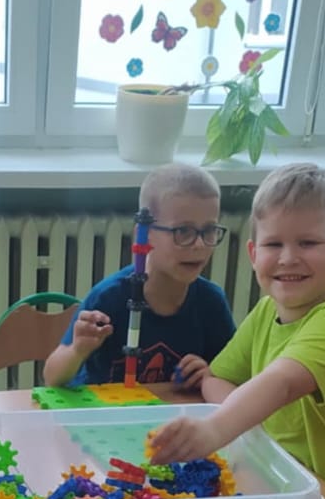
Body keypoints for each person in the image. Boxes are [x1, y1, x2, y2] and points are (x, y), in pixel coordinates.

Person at [147, 162, 325, 499]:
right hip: (282, 486)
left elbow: (281, 383)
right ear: (253, 254)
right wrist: (248, 418)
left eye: (308, 243)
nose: (288, 258)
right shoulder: (267, 310)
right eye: (273, 244)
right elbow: (215, 378)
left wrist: (216, 429)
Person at [44, 163, 236, 390]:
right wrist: (77, 350)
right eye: (183, 231)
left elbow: (234, 378)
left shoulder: (211, 303)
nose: (199, 244)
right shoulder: (108, 298)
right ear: (144, 234)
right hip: (105, 411)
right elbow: (52, 378)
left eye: (210, 230)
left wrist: (208, 374)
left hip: (171, 412)